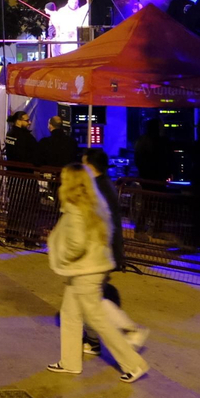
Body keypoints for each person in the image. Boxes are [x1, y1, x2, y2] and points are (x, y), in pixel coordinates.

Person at [45, 164, 148, 382]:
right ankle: (70, 362)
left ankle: (134, 364)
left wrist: (62, 255)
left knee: (98, 320)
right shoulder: (95, 202)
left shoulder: (74, 208)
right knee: (70, 314)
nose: (60, 182)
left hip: (85, 270)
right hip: (95, 266)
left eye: (64, 178)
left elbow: (76, 244)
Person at [80, 149, 147, 358]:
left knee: (91, 300)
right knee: (90, 298)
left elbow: (102, 225)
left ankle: (128, 331)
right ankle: (93, 340)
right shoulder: (102, 186)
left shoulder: (100, 190)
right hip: (101, 253)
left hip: (100, 254)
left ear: (90, 166)